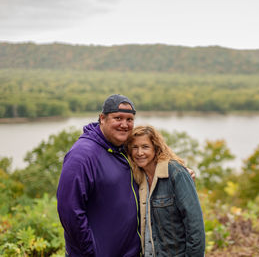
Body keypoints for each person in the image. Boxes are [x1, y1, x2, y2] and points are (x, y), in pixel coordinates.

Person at [57, 94, 141, 256]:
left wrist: (178, 173)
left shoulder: (125, 150)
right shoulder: (82, 155)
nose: (124, 125)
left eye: (129, 119)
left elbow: (152, 165)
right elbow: (69, 211)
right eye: (118, 118)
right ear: (102, 118)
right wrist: (90, 252)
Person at [126, 125, 205, 257]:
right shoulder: (136, 178)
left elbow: (195, 226)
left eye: (145, 147)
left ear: (156, 148)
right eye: (135, 147)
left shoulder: (176, 173)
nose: (139, 153)